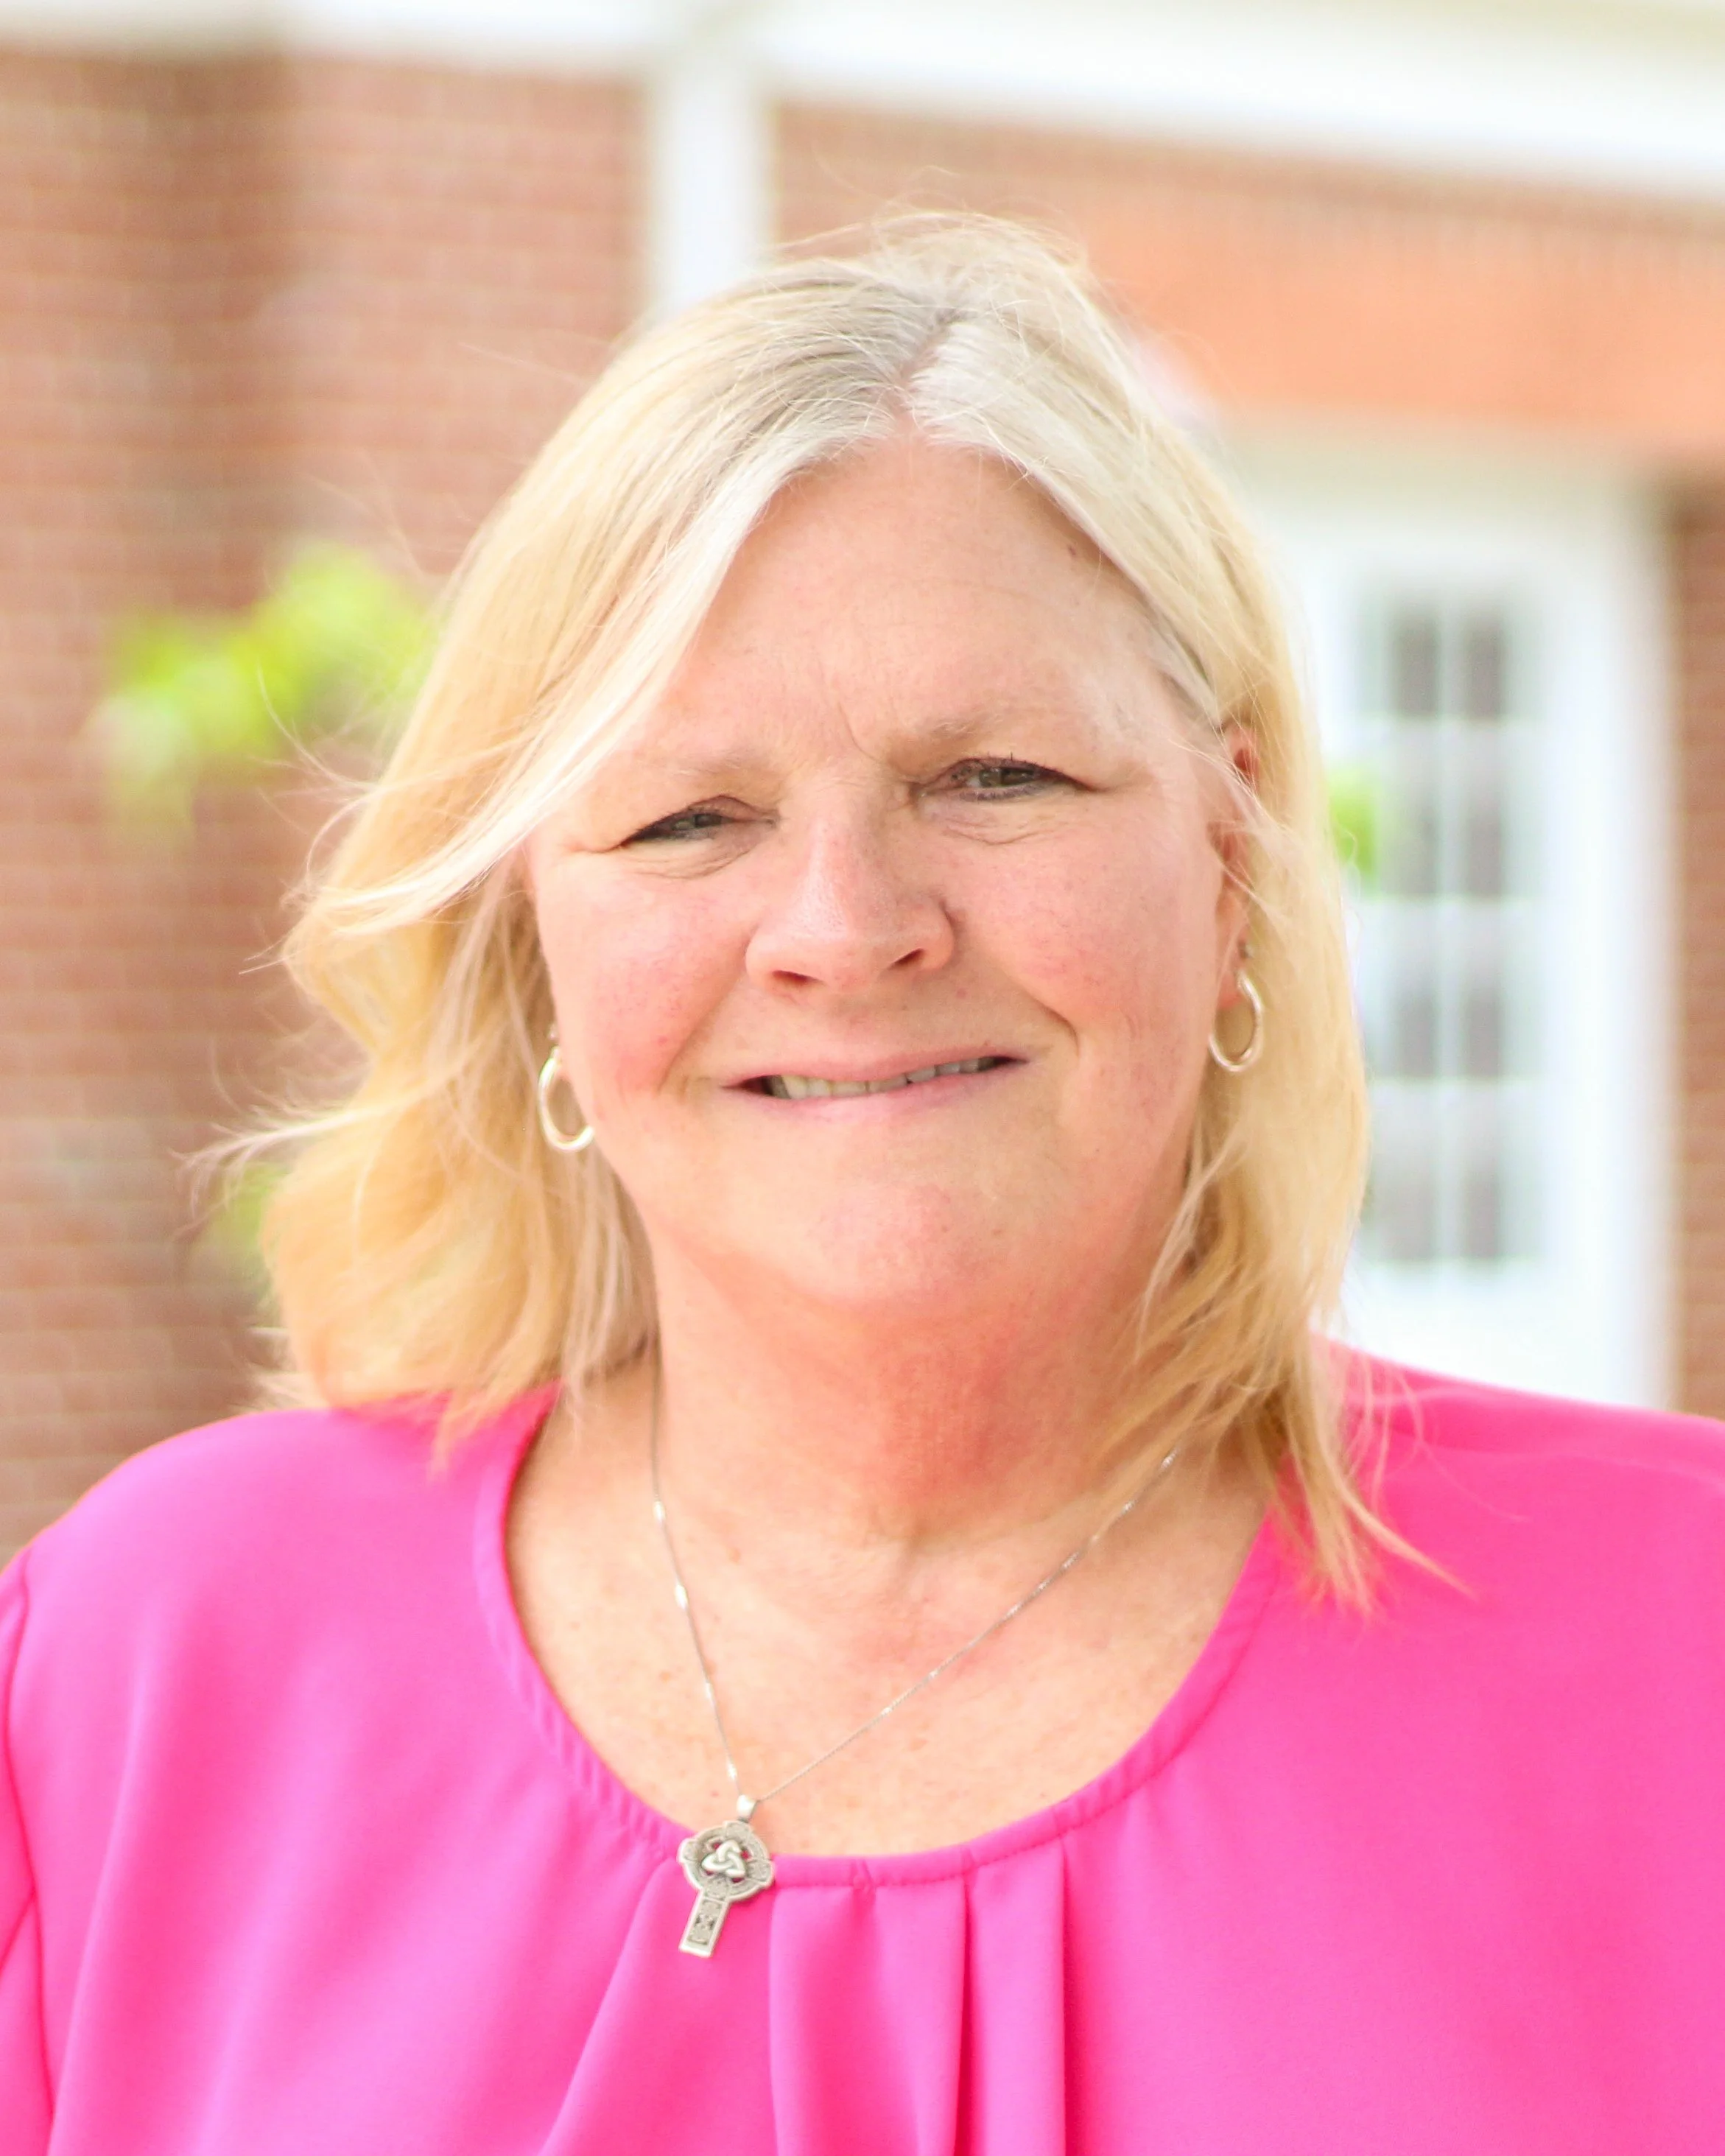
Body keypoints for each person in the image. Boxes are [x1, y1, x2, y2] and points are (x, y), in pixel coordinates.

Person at [3, 218, 1722, 2155]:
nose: (844, 925)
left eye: (992, 777)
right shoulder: (152, 1656)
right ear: (528, 952)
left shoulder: (1685, 1651)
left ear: (1228, 851)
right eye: (689, 816)